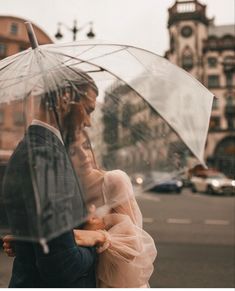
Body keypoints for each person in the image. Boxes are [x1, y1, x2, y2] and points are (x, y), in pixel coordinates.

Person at [2, 71, 99, 288]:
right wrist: (93, 239)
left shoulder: (30, 146)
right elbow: (62, 266)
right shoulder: (48, 156)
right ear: (65, 97)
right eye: (88, 109)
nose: (89, 122)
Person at [67, 129, 157, 287]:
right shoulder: (64, 188)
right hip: (80, 278)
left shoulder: (114, 180)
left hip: (113, 280)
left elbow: (134, 244)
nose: (84, 155)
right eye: (74, 151)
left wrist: (100, 228)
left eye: (86, 146)